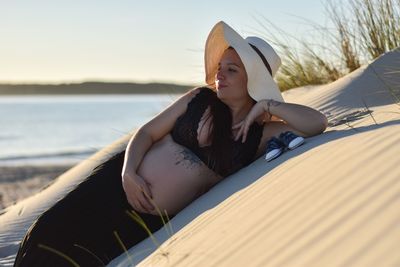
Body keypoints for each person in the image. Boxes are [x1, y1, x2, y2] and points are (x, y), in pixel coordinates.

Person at [13, 21, 328, 266]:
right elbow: (147, 133)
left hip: (142, 221)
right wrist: (129, 173)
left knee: (83, 259)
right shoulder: (199, 100)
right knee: (48, 233)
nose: (221, 74)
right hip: (115, 185)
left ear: (253, 83)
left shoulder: (259, 134)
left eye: (232, 70)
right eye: (221, 67)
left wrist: (268, 107)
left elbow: (317, 123)